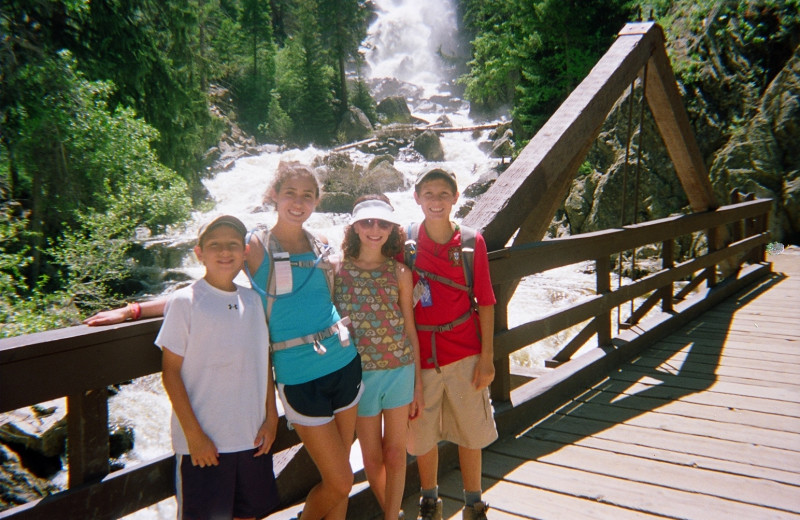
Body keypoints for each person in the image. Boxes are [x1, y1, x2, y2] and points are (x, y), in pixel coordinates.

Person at [85, 161, 362, 520]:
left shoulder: (321, 241)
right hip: (298, 373)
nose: (298, 202)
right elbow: (209, 286)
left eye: (307, 195)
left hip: (342, 361)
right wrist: (135, 309)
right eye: (290, 192)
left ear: (317, 200)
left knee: (340, 469)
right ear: (274, 195)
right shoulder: (255, 244)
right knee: (340, 481)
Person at [155, 214, 279, 520]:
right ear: (199, 252)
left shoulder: (253, 301)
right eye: (215, 245)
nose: (225, 251)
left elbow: (263, 362)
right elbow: (169, 372)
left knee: (249, 515)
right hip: (205, 445)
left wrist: (272, 416)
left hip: (251, 438)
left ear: (245, 252)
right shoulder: (185, 302)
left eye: (233, 244)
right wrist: (195, 436)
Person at [404, 169, 498, 520]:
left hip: (465, 352)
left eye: (444, 194)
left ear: (456, 198)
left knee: (469, 431)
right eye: (429, 193)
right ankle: (431, 502)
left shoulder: (472, 242)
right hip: (422, 358)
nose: (436, 201)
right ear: (417, 197)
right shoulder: (407, 241)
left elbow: (486, 300)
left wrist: (487, 358)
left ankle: (474, 503)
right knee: (424, 434)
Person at [334, 195, 423, 520]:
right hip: (359, 377)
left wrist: (418, 386)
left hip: (400, 371)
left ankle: (390, 517)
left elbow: (409, 329)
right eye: (367, 222)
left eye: (382, 223)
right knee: (371, 458)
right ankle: (395, 514)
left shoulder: (400, 272)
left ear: (392, 229)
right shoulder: (337, 270)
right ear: (354, 226)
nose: (374, 229)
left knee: (396, 453)